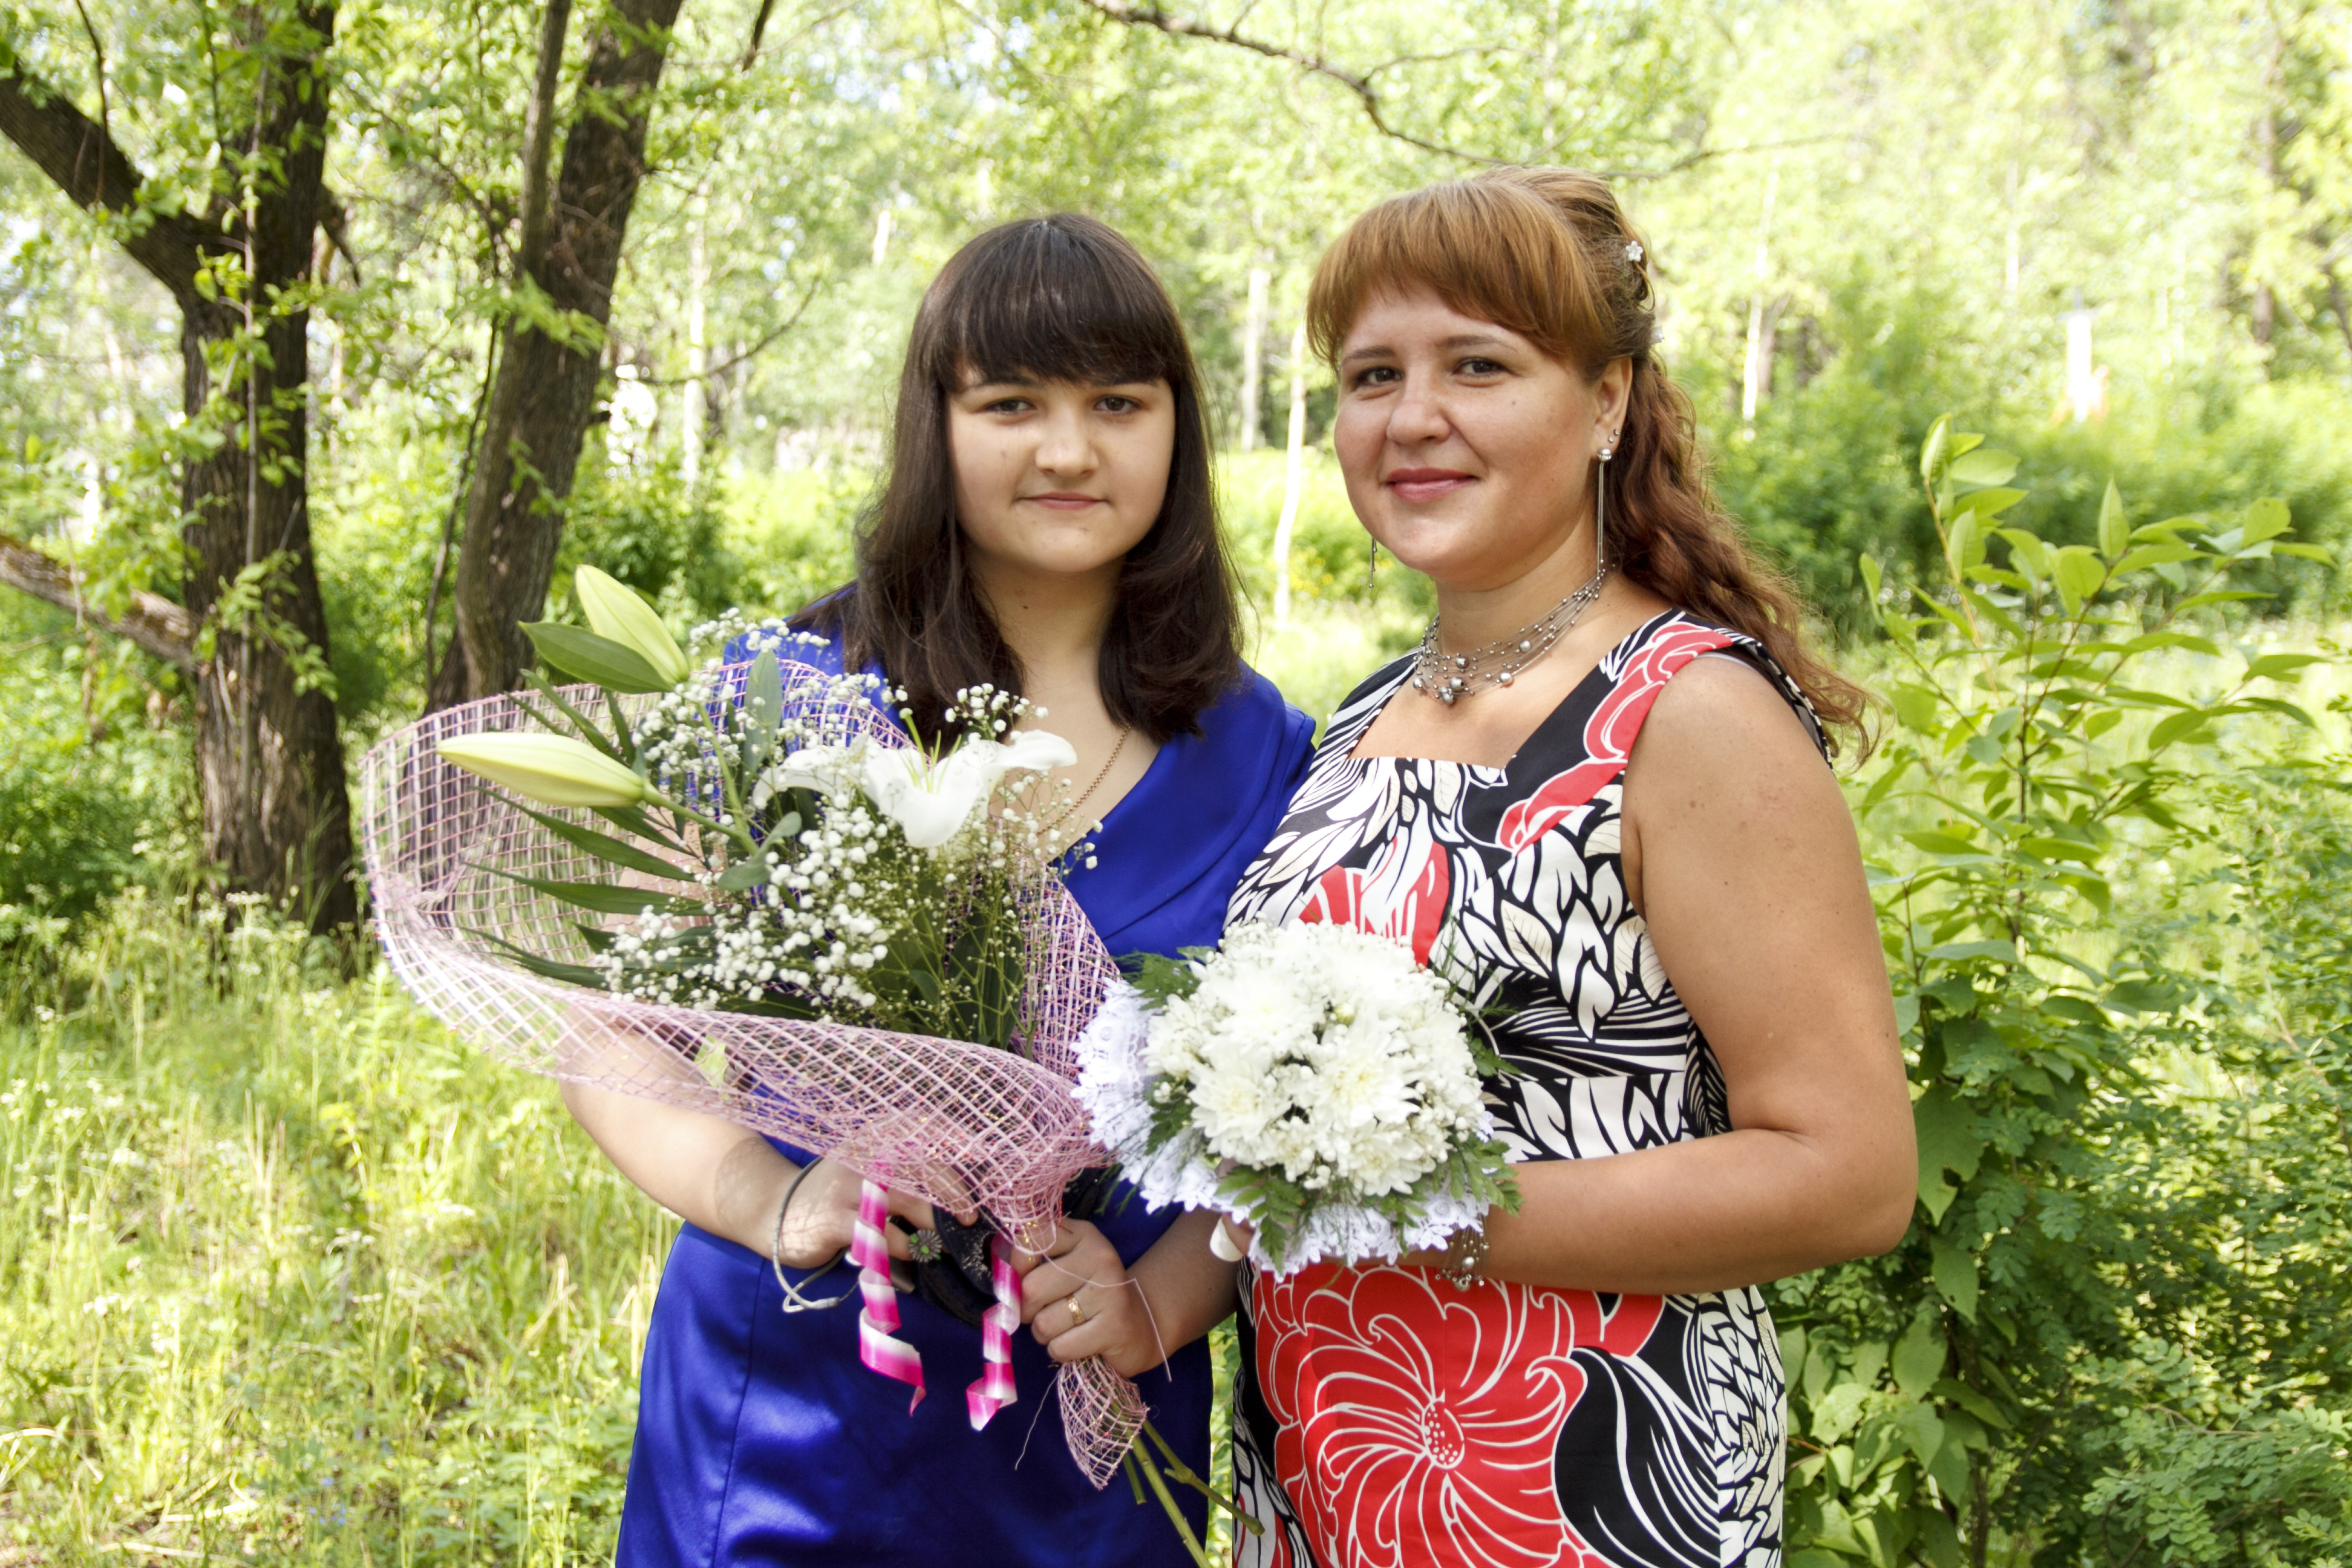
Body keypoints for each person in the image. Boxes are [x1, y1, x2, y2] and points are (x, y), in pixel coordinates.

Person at [562, 214, 1314, 1566]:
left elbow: (1274, 1125)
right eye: (1011, 403)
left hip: (1090, 1419)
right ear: (936, 424)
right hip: (795, 1417)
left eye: (1118, 403)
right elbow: (614, 1036)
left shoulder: (1265, 751)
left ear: (1178, 431)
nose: (1069, 450)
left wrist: (1156, 1300)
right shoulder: (784, 698)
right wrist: (778, 1203)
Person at [1198, 169, 1918, 1567]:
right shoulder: (1361, 717)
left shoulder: (1687, 715)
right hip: (1331, 1482)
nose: (1414, 416)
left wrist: (1427, 1216)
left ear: (1606, 404)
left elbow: (1849, 1175)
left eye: (1478, 365)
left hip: (1584, 1490)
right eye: (1373, 374)